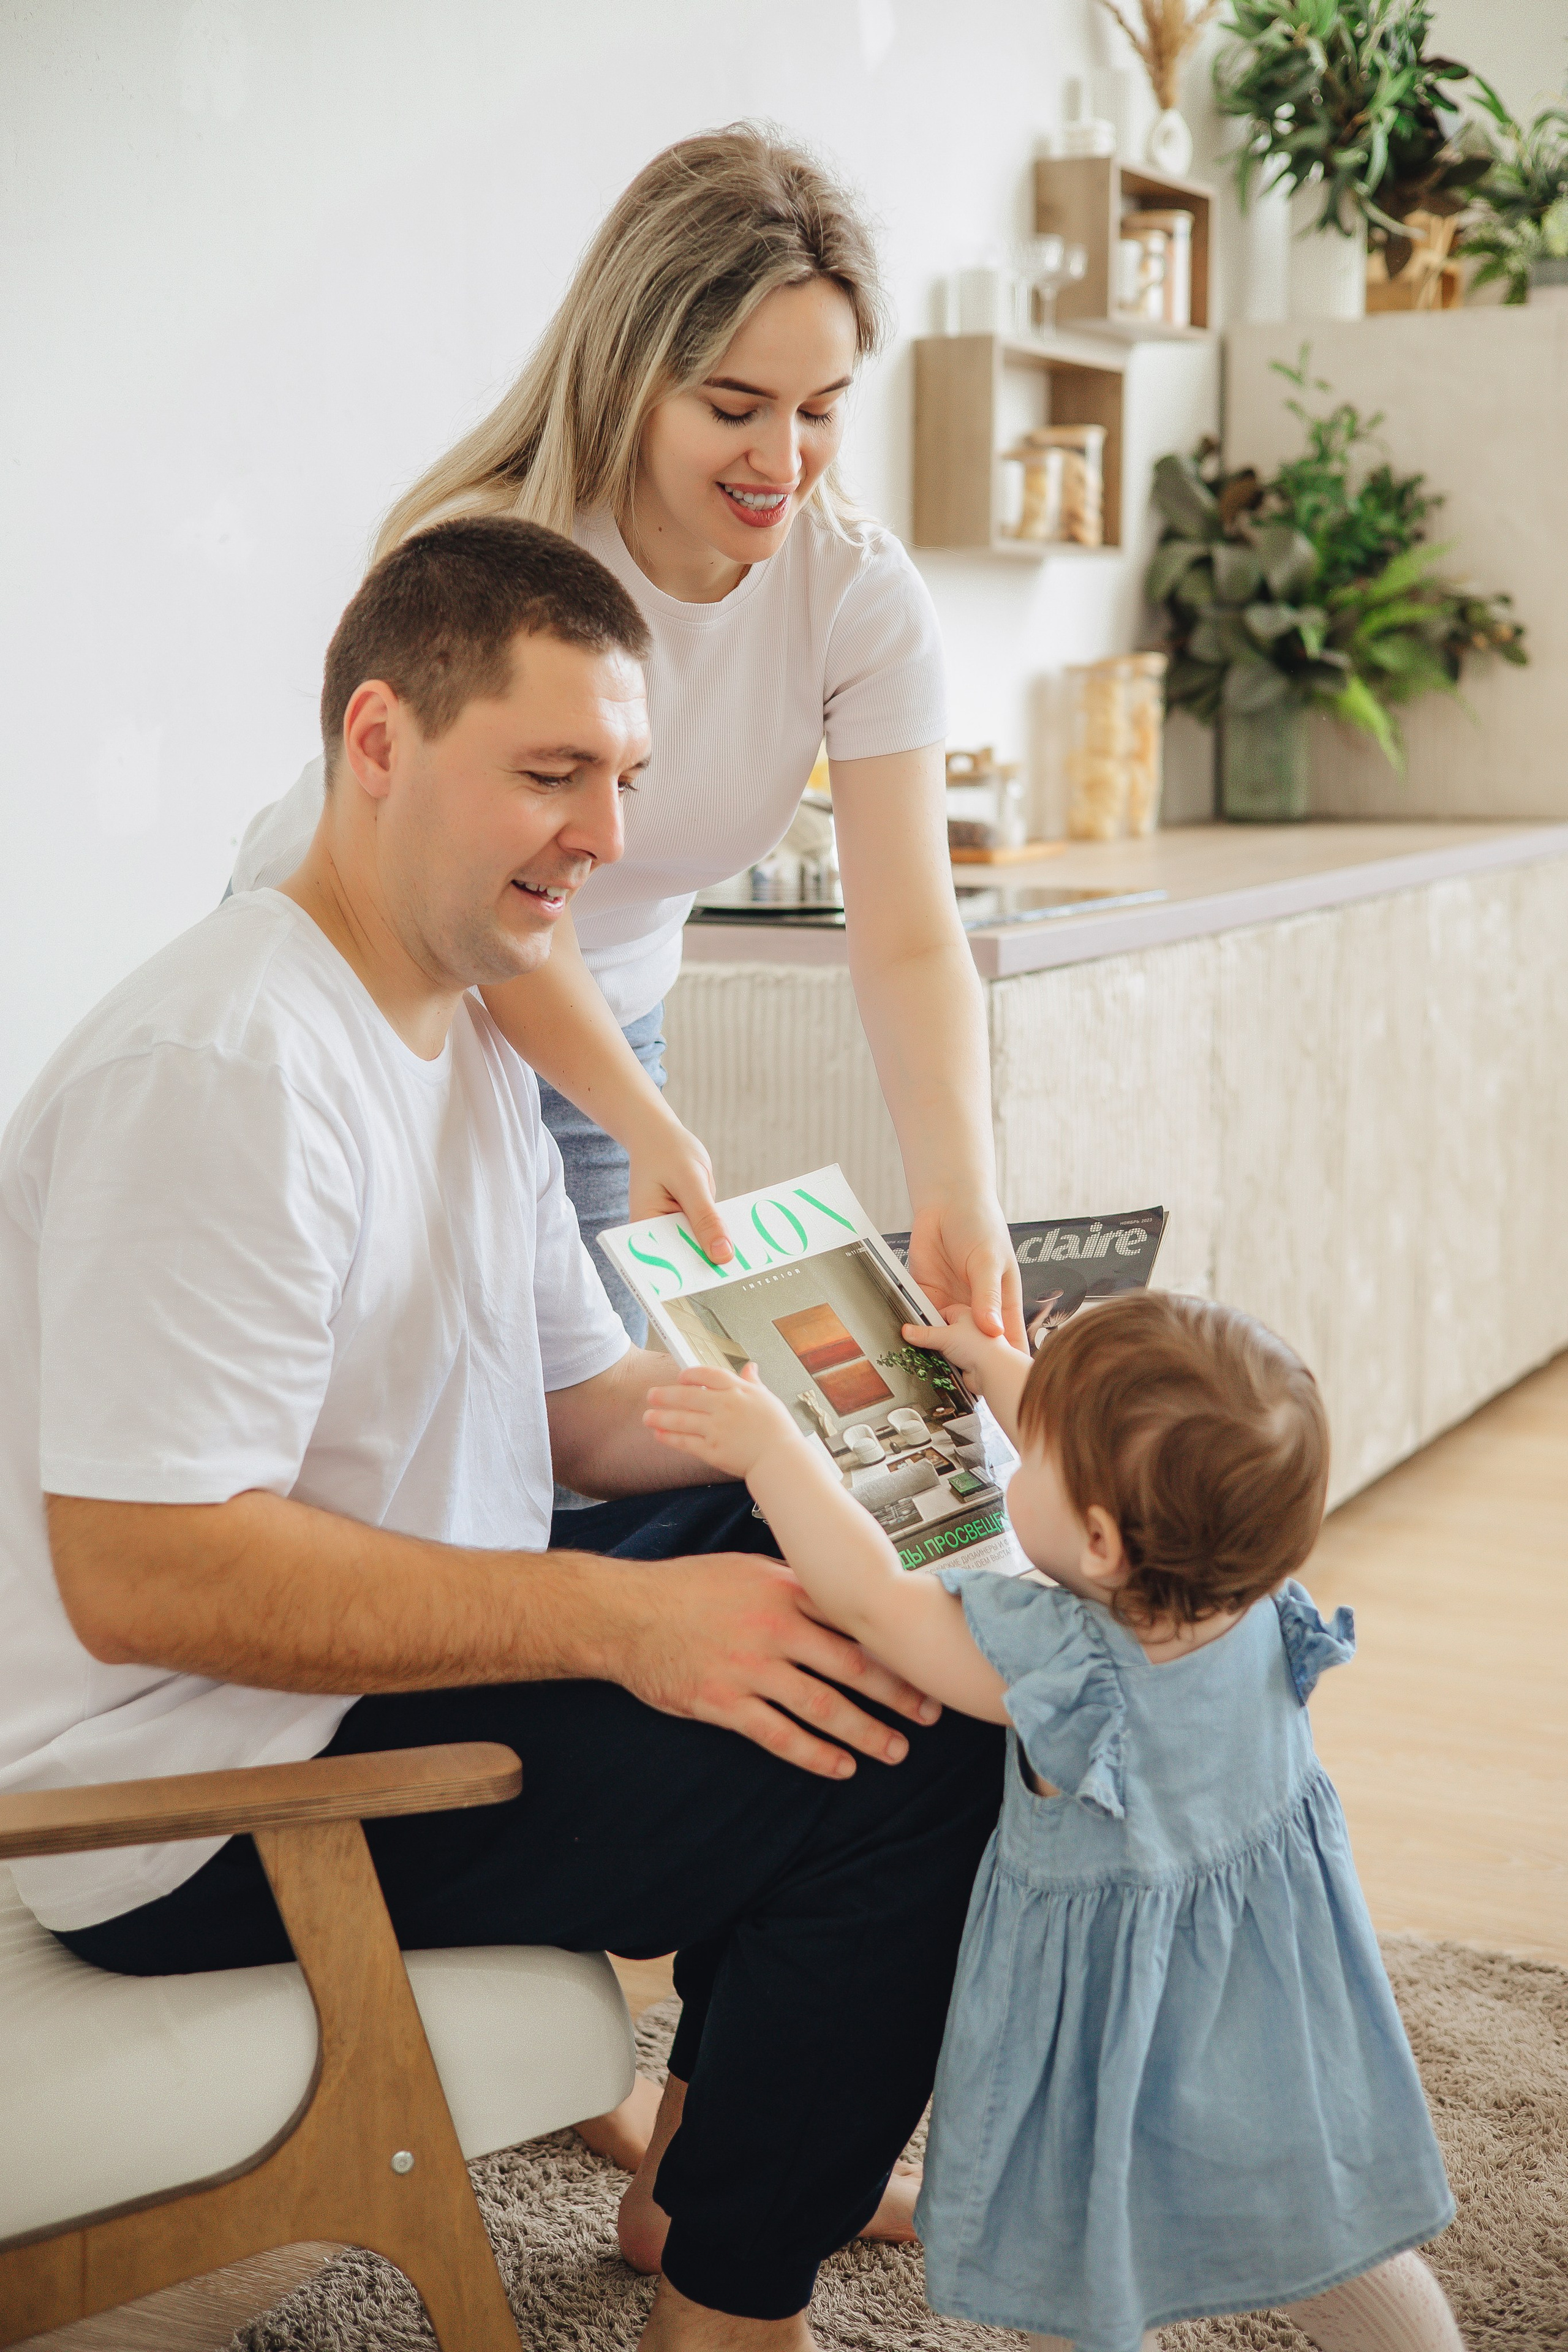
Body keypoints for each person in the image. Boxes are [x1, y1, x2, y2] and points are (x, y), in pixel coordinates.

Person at [0, 518, 1003, 2352]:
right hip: (206, 1797)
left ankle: (722, 2164)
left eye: (621, 778)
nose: (607, 839)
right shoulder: (227, 1074)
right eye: (549, 775)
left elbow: (582, 1416)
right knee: (909, 1746)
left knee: (907, 1607)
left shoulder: (453, 1032)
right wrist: (624, 1625)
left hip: (345, 1679)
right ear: (378, 741)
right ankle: (730, 2302)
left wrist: (861, 1417)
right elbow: (149, 1574)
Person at [229, 122, 1025, 1360]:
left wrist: (956, 1196)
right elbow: (492, 878)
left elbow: (911, 935)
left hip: (603, 1011)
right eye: (734, 406)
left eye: (820, 410)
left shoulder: (856, 597)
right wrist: (643, 1117)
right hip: (388, 985)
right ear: (630, 375)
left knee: (578, 1412)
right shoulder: (497, 553)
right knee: (374, 1382)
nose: (782, 460)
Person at [643, 1290, 1464, 2352]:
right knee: (1328, 2221)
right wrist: (993, 1363)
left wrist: (771, 1450)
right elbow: (1119, 1463)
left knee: (1086, 2254)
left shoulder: (1064, 1667)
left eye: (1031, 1459)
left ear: (1098, 1542)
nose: (1011, 1465)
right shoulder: (1251, 1597)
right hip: (1266, 2008)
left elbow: (871, 1601)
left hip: (1115, 2030)